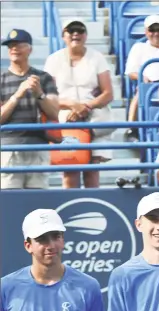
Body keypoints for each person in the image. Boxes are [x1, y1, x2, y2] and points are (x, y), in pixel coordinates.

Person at [1, 209, 106, 311]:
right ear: (28, 245)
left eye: (56, 237)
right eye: (42, 239)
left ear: (63, 240)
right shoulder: (6, 287)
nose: (51, 245)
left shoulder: (88, 286)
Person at [44, 19, 115, 189]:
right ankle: (72, 212)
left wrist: (87, 106)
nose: (75, 34)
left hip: (94, 120)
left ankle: (92, 210)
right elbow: (47, 97)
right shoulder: (54, 60)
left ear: (86, 35)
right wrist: (72, 105)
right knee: (70, 171)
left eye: (80, 30)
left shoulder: (97, 57)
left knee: (92, 171)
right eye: (71, 30)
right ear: (63, 35)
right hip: (66, 120)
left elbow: (108, 93)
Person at [1, 29, 60, 190]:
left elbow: (54, 113)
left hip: (38, 146)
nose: (14, 49)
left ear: (30, 49)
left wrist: (39, 94)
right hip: (9, 149)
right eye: (10, 46)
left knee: (38, 202)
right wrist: (17, 95)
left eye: (19, 45)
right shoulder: (1, 79)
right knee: (9, 200)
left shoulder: (44, 77)